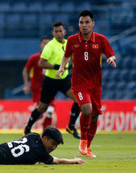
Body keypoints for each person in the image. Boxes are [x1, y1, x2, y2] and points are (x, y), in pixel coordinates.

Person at [56, 10, 116, 158]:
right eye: (81, 22)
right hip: (79, 83)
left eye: (87, 22)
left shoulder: (101, 40)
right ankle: (82, 141)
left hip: (95, 84)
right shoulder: (72, 40)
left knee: (95, 116)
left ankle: (87, 146)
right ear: (78, 24)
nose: (84, 25)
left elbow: (111, 54)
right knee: (87, 109)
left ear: (93, 23)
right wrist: (62, 66)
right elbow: (66, 55)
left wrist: (111, 59)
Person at [24, 21, 81, 139]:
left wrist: (73, 65)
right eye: (56, 31)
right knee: (42, 108)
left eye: (61, 31)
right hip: (50, 81)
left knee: (79, 100)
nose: (59, 33)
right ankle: (28, 128)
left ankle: (70, 126)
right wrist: (57, 67)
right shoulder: (50, 46)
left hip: (64, 79)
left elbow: (72, 58)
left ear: (64, 32)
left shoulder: (68, 43)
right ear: (53, 33)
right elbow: (41, 63)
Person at [22, 36, 57, 130]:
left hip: (50, 88)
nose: (46, 45)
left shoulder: (54, 58)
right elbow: (25, 70)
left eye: (48, 44)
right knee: (40, 114)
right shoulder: (34, 58)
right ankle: (29, 125)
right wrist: (26, 85)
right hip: (37, 89)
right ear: (41, 45)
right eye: (44, 43)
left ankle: (46, 133)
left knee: (50, 111)